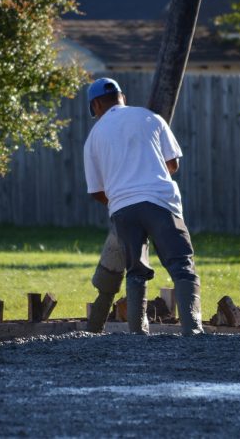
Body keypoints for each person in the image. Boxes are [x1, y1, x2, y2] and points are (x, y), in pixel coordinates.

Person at [83, 77, 203, 336]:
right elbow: (172, 165)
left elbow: (96, 191)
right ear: (122, 96)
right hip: (160, 202)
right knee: (182, 266)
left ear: (95, 105)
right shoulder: (151, 118)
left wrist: (120, 199)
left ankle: (138, 333)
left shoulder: (94, 137)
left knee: (136, 271)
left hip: (123, 210)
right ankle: (193, 330)